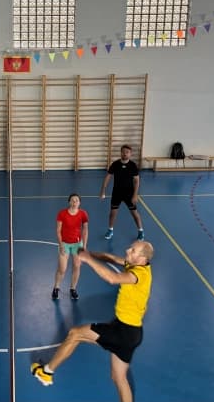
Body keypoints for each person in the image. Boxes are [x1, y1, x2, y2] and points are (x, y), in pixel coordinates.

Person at [31, 240, 154, 402]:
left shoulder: (139, 274)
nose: (127, 250)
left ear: (142, 259)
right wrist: (89, 254)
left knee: (75, 334)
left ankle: (46, 372)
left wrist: (88, 259)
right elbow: (112, 258)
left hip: (123, 332)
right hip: (133, 333)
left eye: (133, 250)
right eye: (130, 247)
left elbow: (112, 278)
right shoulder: (136, 264)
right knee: (119, 378)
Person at [100, 145, 144, 241]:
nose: (125, 154)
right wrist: (103, 190)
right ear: (121, 153)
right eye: (123, 152)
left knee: (134, 213)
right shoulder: (115, 164)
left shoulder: (133, 165)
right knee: (113, 213)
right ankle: (110, 230)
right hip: (117, 193)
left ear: (130, 154)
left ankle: (141, 231)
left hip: (129, 194)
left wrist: (135, 195)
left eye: (127, 152)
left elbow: (136, 181)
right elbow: (108, 177)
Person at [53, 193, 89, 300]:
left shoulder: (83, 214)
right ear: (69, 202)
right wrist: (61, 245)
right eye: (72, 200)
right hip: (64, 243)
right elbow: (58, 230)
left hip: (77, 244)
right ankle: (56, 287)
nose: (74, 202)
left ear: (79, 203)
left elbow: (85, 230)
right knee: (62, 268)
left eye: (77, 200)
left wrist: (84, 246)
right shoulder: (62, 214)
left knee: (77, 266)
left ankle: (73, 288)